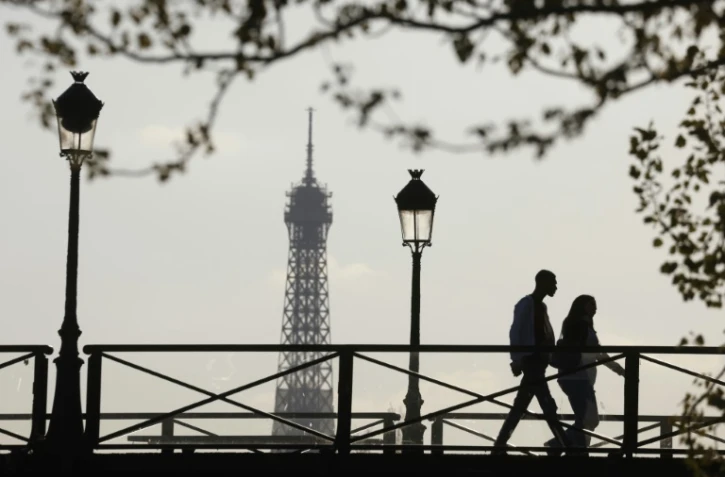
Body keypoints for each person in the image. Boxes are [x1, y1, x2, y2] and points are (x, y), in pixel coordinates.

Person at [492, 270, 570, 454]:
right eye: (553, 283)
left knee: (522, 407)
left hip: (535, 362)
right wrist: (518, 359)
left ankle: (500, 445)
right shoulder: (528, 305)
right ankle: (567, 446)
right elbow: (516, 332)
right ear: (543, 283)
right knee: (546, 406)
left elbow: (522, 332)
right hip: (533, 361)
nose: (556, 287)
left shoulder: (538, 306)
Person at [545, 295, 625, 456]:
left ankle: (571, 449)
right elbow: (598, 353)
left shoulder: (580, 325)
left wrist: (618, 369)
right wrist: (619, 370)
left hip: (577, 378)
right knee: (589, 420)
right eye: (592, 305)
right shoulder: (579, 325)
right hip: (577, 378)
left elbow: (597, 353)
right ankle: (560, 445)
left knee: (585, 420)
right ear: (582, 306)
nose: (595, 308)